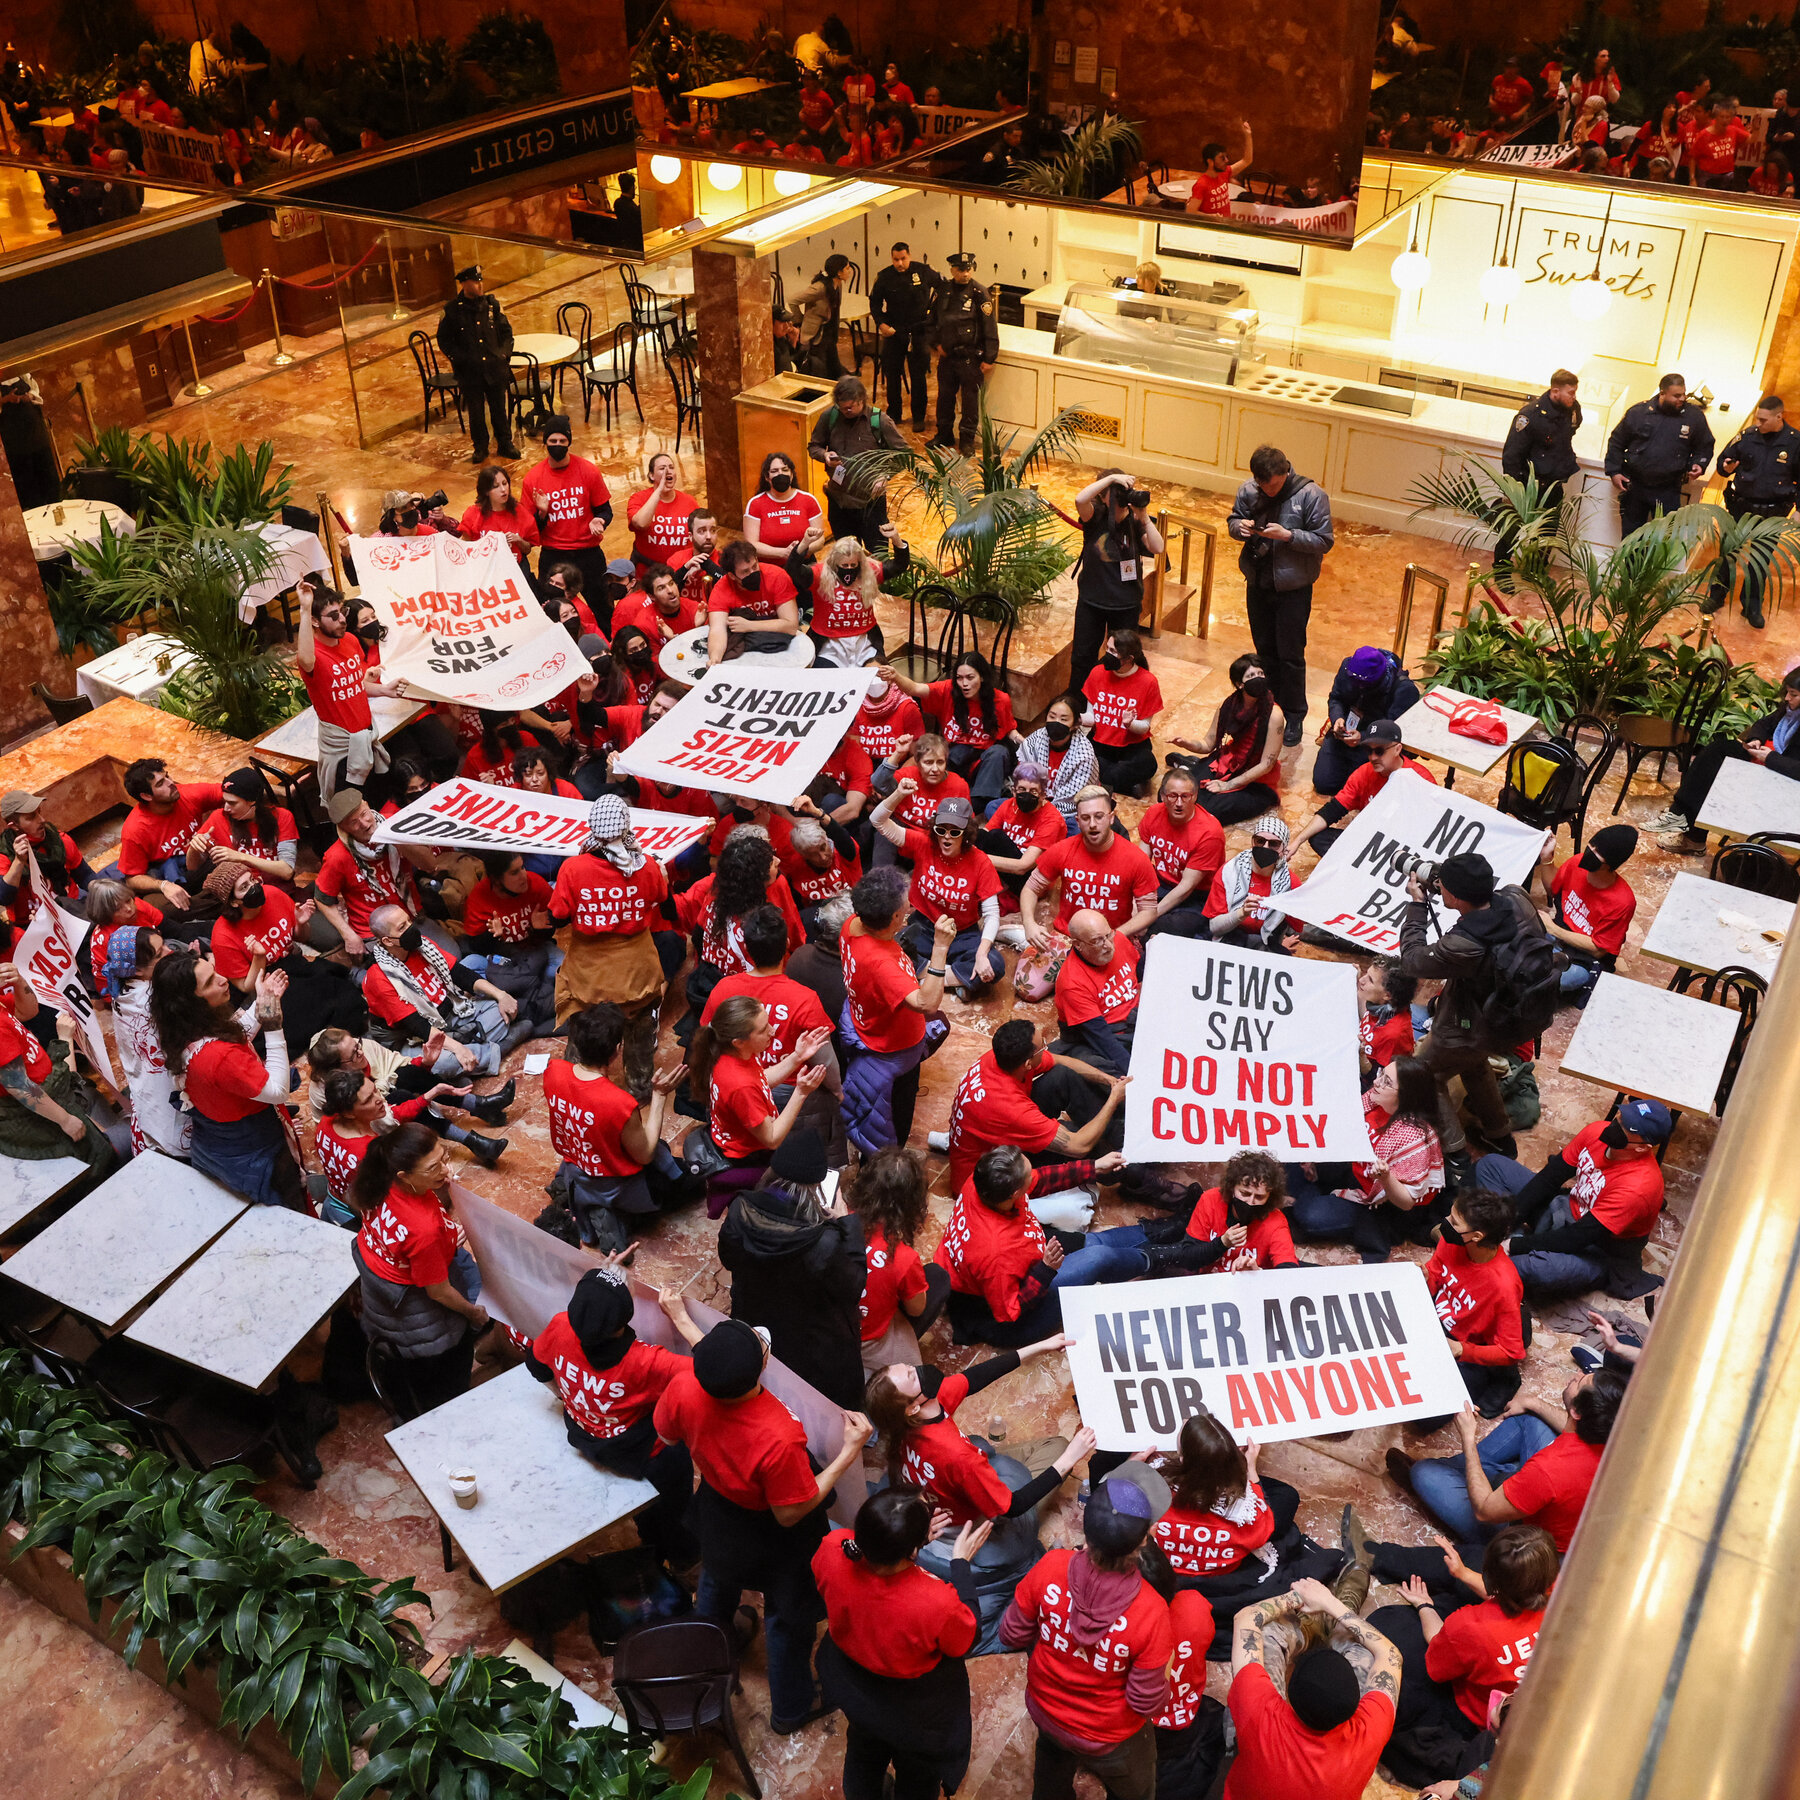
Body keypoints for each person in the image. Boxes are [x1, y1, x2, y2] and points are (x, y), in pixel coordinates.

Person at [652, 1317, 874, 1732]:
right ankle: (791, 1707)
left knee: (716, 1584)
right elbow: (791, 1509)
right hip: (778, 1540)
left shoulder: (684, 1385)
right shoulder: (778, 1435)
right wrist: (848, 1452)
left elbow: (666, 1436)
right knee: (788, 1618)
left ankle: (709, 1658)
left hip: (719, 1511)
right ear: (759, 1372)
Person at [865, 1347, 1095, 1647]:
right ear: (911, 1406)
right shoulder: (959, 1457)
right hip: (971, 1528)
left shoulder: (912, 1420)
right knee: (1055, 1448)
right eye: (910, 1374)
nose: (915, 1368)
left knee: (984, 1449)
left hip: (940, 1509)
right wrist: (1070, 1457)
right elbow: (1013, 1506)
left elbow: (972, 1378)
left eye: (908, 1365)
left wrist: (1043, 1345)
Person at [999, 1470, 1174, 1800]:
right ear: (1144, 1540)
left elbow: (1011, 1633)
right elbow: (1143, 1701)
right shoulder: (1151, 1612)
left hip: (1046, 1710)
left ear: (1084, 1529)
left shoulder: (1050, 1566)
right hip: (1109, 1738)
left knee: (1050, 1776)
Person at [510, 1270, 702, 1565]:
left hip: (583, 1434)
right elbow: (712, 1369)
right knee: (677, 1482)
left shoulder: (561, 1326)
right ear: (622, 1323)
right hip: (640, 1454)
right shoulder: (645, 1361)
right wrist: (681, 1318)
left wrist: (567, 1396)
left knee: (651, 1519)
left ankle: (649, 1537)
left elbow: (537, 1365)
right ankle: (683, 1558)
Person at [812, 1491, 983, 1800]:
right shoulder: (936, 1602)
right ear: (914, 1552)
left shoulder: (832, 1547)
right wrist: (960, 1564)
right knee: (918, 1775)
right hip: (912, 1710)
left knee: (863, 1752)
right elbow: (964, 1642)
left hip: (852, 1684)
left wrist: (907, 1542)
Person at [1397, 851, 1554, 1174]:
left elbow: (1412, 961)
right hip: (1507, 1018)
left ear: (1453, 896)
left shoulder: (1463, 944)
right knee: (1474, 1064)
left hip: (1471, 1024)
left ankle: (1455, 1154)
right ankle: (1499, 1135)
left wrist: (1416, 905)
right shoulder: (1516, 898)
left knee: (1425, 1076)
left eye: (1444, 887)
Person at [1364, 1524, 1556, 1788]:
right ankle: (1383, 1557)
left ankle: (1379, 1558)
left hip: (1473, 1718)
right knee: (1464, 1568)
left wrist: (1424, 1605)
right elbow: (1522, 1597)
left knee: (1389, 1625)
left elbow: (1436, 1649)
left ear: (1493, 1580)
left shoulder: (1472, 1626)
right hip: (1526, 1706)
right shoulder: (1564, 1593)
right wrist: (1463, 1574)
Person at [1151, 1411, 1341, 1642]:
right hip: (1223, 1564)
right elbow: (1265, 1523)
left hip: (1170, 1565)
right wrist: (1251, 1469)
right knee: (1287, 1496)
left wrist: (1134, 1463)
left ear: (1181, 1460)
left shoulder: (1150, 1493)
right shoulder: (1248, 1516)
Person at [1388, 1369, 1628, 1550]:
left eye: (1581, 1382)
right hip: (1561, 1505)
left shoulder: (1549, 1469)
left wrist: (1468, 1437)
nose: (1577, 1374)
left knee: (1424, 1474)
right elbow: (1569, 1429)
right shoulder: (1615, 1436)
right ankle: (1495, 1476)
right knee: (1531, 1419)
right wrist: (1533, 1402)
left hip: (1530, 1542)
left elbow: (1485, 1510)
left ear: (1577, 1412)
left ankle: (1479, 1479)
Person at [936, 1144, 1149, 1345]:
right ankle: (1165, 1256)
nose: (1033, 1174)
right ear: (1016, 1194)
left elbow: (1043, 1179)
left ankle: (1159, 1232)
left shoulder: (981, 1180)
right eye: (1028, 1175)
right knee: (1099, 1258)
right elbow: (1011, 1312)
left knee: (1093, 1241)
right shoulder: (995, 1253)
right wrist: (1045, 1270)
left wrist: (1094, 1167)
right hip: (1007, 1316)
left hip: (1027, 1253)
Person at [348, 1121, 493, 1411]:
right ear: (404, 1175)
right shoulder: (424, 1231)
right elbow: (439, 1292)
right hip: (420, 1318)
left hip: (379, 1287)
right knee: (444, 1385)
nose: (445, 1170)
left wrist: (446, 1228)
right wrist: (473, 1313)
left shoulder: (379, 1177)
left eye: (444, 1158)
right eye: (433, 1168)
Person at [719, 1130, 866, 1407]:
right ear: (814, 1186)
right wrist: (849, 1225)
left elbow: (728, 1258)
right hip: (809, 1336)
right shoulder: (825, 1240)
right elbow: (853, 1287)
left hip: (755, 1318)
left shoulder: (740, 1209)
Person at [1223, 1578, 1401, 1800]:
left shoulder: (1259, 1715)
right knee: (1365, 1653)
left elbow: (1246, 1618)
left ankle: (1314, 1629)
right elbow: (1390, 1655)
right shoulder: (1372, 1731)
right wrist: (1331, 1604)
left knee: (1266, 1637)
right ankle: (1334, 1627)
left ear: (1290, 1692)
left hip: (1251, 1763)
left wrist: (1300, 1596)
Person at [149, 950, 302, 1207]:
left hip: (216, 1142)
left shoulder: (181, 1028)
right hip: (253, 1153)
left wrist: (264, 1000)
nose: (222, 979)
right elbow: (277, 1091)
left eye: (214, 969)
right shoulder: (218, 1057)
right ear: (191, 1002)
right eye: (209, 982)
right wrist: (274, 1027)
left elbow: (234, 1031)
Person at [1478, 1096, 1670, 1300]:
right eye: (1621, 1116)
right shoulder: (1596, 1131)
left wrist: (1514, 1246)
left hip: (1597, 1248)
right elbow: (1550, 1178)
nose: (1616, 1124)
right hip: (1566, 1209)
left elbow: (1579, 1236)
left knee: (1537, 1269)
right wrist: (1508, 1221)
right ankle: (1512, 1240)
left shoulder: (1638, 1188)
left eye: (1625, 1128)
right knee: (1491, 1165)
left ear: (1642, 1147)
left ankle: (1519, 1250)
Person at [543, 1003, 694, 1248]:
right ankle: (619, 1216)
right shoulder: (618, 1102)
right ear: (617, 1049)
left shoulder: (553, 1071)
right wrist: (659, 1096)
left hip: (577, 1162)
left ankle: (577, 1194)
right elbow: (644, 1155)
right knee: (685, 1180)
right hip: (614, 1182)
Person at [547, 798, 669, 1094]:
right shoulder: (648, 865)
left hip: (589, 977)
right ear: (626, 826)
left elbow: (558, 915)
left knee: (584, 1038)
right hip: (637, 974)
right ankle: (639, 1090)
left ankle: (579, 1087)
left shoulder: (573, 868)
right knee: (640, 1036)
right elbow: (661, 898)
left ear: (594, 827)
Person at [1286, 1053, 1447, 1262]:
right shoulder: (1374, 1098)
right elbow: (1344, 1124)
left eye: (1386, 1081)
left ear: (1405, 1095)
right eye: (1382, 1074)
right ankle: (1308, 1190)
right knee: (1286, 1159)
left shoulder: (1414, 1138)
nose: (1376, 1082)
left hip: (1377, 1204)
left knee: (1310, 1216)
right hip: (1353, 1171)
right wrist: (1315, 1157)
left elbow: (1406, 1202)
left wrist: (1387, 1177)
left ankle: (1303, 1199)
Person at [839, 868, 953, 1151]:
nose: (911, 909)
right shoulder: (880, 963)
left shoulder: (853, 924)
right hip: (893, 1051)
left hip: (869, 1023)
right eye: (906, 908)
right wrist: (940, 947)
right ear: (893, 919)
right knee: (893, 1123)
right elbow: (926, 1003)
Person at [941, 1016, 1130, 1187]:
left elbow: (1060, 1061)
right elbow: (1079, 1146)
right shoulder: (1011, 1109)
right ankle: (1126, 1170)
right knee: (1079, 1140)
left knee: (1061, 1076)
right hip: (990, 1181)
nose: (1047, 1048)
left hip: (996, 1136)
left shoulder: (1000, 1057)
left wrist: (1109, 1080)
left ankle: (1116, 1131)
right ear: (1027, 1064)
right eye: (1043, 1046)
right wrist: (1113, 1099)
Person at [1227, 446, 1334, 743]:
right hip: (1258, 583)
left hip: (1293, 588)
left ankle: (1295, 715)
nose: (1266, 490)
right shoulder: (1249, 490)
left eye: (1271, 484)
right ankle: (1266, 706)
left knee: (1290, 654)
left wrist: (1287, 535)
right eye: (1261, 484)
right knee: (1264, 651)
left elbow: (1324, 541)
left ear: (1285, 472)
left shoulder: (1311, 495)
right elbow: (1233, 521)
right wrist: (1241, 528)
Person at [315, 1063, 501, 1222]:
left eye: (375, 1091)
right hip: (363, 1211)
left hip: (339, 1194)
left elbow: (392, 1116)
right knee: (441, 1183)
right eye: (369, 1100)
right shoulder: (370, 1153)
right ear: (349, 1112)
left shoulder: (327, 1122)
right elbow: (398, 1197)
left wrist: (429, 1095)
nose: (379, 1099)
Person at [1649, 661, 1800, 846]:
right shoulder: (1791, 709)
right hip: (1770, 761)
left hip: (1787, 780)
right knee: (1717, 751)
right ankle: (1680, 814)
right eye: (1787, 692)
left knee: (1717, 776)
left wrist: (1769, 758)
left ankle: (1692, 836)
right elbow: (1764, 724)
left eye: (1793, 694)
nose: (1786, 698)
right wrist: (1756, 739)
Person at [868, 791, 1003, 996]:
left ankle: (926, 978)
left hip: (961, 933)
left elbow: (992, 914)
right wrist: (898, 794)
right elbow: (877, 820)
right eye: (941, 830)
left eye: (955, 832)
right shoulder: (924, 843)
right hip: (924, 925)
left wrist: (982, 954)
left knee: (995, 965)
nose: (947, 837)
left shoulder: (981, 861)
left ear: (966, 834)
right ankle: (956, 980)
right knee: (886, 954)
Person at [0, 958, 116, 1188]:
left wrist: (19, 981)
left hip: (50, 1094)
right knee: (93, 1165)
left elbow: (30, 1010)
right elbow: (17, 1083)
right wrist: (64, 1119)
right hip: (39, 1110)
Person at [295, 581, 404, 807]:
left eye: (342, 612)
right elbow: (305, 660)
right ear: (315, 621)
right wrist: (305, 609)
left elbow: (354, 686)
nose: (343, 619)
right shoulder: (313, 656)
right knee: (353, 814)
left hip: (368, 739)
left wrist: (383, 690)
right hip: (342, 752)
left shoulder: (351, 640)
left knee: (381, 802)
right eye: (333, 616)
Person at [1704, 393, 1800, 626]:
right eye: (1758, 419)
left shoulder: (1795, 442)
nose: (1758, 424)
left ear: (1780, 416)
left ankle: (1751, 605)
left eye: (1764, 420)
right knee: (1728, 553)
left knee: (1760, 559)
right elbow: (1723, 463)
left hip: (1772, 511)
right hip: (1741, 506)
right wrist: (1726, 467)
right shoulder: (1747, 436)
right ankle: (1717, 595)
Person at [1020, 786, 1157, 947]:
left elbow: (1149, 911)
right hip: (1068, 938)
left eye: (1099, 816)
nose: (1092, 824)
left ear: (1111, 818)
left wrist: (1115, 935)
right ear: (1077, 821)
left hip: (1115, 938)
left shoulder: (1136, 858)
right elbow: (1030, 888)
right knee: (1027, 971)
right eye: (1085, 818)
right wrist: (1029, 923)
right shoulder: (1061, 850)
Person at [1287, 719, 1436, 864]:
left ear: (1397, 749)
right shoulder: (1363, 773)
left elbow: (1429, 828)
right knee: (1317, 837)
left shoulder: (1422, 779)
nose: (1372, 757)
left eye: (1379, 751)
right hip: (1369, 840)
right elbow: (1331, 811)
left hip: (1402, 848)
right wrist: (1297, 842)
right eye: (1368, 751)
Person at [879, 651, 1020, 805]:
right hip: (953, 754)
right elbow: (915, 688)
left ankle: (976, 805)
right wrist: (895, 676)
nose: (964, 684)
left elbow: (1009, 730)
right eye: (959, 678)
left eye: (970, 678)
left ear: (982, 677)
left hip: (984, 758)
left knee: (999, 753)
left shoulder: (1001, 700)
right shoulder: (948, 690)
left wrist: (1026, 743)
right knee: (924, 758)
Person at [1070, 472, 1166, 695]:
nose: (1121, 500)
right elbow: (1080, 499)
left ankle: (1114, 702)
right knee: (1082, 657)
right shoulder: (1095, 517)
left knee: (1121, 659)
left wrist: (1143, 516)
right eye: (1115, 494)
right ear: (1103, 496)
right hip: (1092, 602)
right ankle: (1078, 705)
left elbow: (1158, 547)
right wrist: (1111, 478)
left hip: (1125, 604)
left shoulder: (1135, 522)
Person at [852, 1145, 951, 1360]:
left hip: (832, 1324)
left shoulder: (840, 1218)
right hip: (866, 1340)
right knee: (938, 1277)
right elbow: (916, 1309)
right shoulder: (903, 1257)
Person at [1168, 653, 1286, 824]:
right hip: (1228, 762)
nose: (1258, 679)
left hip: (1257, 781)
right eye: (1251, 676)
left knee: (1206, 811)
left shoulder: (1274, 715)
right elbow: (1208, 743)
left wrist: (1228, 785)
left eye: (1260, 674)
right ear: (1239, 684)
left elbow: (1266, 765)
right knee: (1176, 794)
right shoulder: (1229, 705)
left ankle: (1192, 766)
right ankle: (1192, 764)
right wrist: (1187, 743)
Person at [1605, 372, 1715, 537]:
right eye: (1676, 395)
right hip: (1636, 486)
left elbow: (1705, 445)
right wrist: (1614, 471)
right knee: (1631, 539)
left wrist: (1699, 464)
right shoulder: (1639, 413)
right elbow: (1616, 442)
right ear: (1662, 393)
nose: (1682, 399)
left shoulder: (1693, 416)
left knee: (1664, 539)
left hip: (1668, 489)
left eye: (1684, 394)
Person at [1539, 823, 1638, 1002]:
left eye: (1597, 852)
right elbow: (1552, 888)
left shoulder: (1623, 902)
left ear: (1610, 864)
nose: (1589, 852)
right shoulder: (1576, 862)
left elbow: (1598, 949)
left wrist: (1553, 929)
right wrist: (1547, 857)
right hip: (1557, 934)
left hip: (1582, 957)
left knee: (1568, 978)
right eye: (1591, 845)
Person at [809, 374, 910, 546]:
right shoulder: (829, 417)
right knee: (847, 555)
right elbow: (814, 446)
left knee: (877, 555)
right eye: (842, 408)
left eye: (850, 407)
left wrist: (884, 476)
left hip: (870, 504)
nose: (846, 411)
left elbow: (905, 454)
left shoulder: (880, 421)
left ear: (861, 400)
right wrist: (824, 456)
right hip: (838, 500)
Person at [1311, 646, 1421, 796]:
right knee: (1324, 783)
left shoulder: (1403, 690)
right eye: (1355, 682)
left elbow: (1393, 730)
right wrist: (1338, 718)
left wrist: (1363, 737)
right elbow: (1336, 698)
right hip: (1344, 735)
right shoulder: (1346, 667)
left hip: (1376, 744)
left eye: (1364, 684)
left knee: (1362, 790)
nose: (1360, 686)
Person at [118, 760, 224, 914]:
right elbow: (132, 879)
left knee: (228, 862)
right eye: (161, 783)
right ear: (146, 796)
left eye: (167, 777)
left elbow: (231, 791)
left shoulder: (187, 794)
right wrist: (164, 886)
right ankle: (215, 904)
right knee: (160, 909)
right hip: (163, 877)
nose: (171, 783)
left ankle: (210, 903)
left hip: (199, 864)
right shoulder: (134, 830)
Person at [436, 265, 518, 464]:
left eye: (481, 281)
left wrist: (504, 355)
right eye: (475, 281)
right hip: (470, 372)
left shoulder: (491, 306)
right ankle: (480, 447)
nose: (480, 285)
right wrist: (460, 359)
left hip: (494, 368)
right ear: (464, 283)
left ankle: (505, 443)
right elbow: (444, 341)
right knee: (476, 411)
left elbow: (506, 333)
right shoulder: (452, 311)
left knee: (499, 407)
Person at [521, 415, 614, 591]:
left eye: (562, 440)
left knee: (603, 607)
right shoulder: (532, 479)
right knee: (551, 609)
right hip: (553, 554)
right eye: (553, 440)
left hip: (588, 551)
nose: (557, 445)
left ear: (569, 442)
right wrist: (542, 514)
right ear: (545, 442)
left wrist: (600, 520)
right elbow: (529, 531)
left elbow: (605, 510)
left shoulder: (588, 471)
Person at [1054, 911, 1144, 1075]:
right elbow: (1102, 1039)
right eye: (1097, 941)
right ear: (1078, 944)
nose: (1109, 946)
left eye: (1108, 935)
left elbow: (1140, 974)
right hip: (1110, 1034)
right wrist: (1137, 1076)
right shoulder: (1072, 984)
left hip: (1137, 1016)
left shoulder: (1119, 940)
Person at [927, 252, 999, 456]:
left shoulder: (980, 293)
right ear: (952, 270)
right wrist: (936, 344)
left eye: (968, 269)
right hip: (947, 356)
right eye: (960, 269)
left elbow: (989, 327)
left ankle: (967, 440)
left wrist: (989, 357)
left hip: (970, 357)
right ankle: (944, 434)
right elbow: (931, 321)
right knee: (945, 398)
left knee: (969, 402)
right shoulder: (943, 291)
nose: (965, 273)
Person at [979, 762, 1067, 922]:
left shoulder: (1052, 820)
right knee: (978, 834)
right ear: (1013, 790)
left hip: (1031, 881)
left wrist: (977, 860)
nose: (1027, 795)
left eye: (1033, 791)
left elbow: (1023, 866)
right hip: (1005, 865)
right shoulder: (1008, 805)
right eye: (1021, 790)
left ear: (1043, 794)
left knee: (995, 837)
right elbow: (983, 836)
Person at [1082, 628, 1162, 796]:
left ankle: (1107, 781)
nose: (1107, 654)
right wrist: (1077, 718)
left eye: (1113, 651)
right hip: (1101, 743)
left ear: (1129, 659)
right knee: (1082, 760)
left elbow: (1144, 727)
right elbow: (1091, 716)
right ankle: (1124, 785)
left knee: (1147, 763)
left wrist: (1130, 723)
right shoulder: (1097, 672)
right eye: (1108, 648)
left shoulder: (1148, 682)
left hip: (1131, 746)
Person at [1, 787, 94, 933]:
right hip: (32, 924)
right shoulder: (4, 856)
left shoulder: (60, 840)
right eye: (31, 817)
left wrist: (103, 890)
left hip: (71, 909)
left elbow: (85, 876)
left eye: (39, 812)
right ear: (15, 826)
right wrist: (19, 862)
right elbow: (3, 897)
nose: (42, 820)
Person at [870, 240, 939, 428]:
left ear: (909, 256)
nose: (899, 263)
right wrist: (881, 323)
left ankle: (918, 417)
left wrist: (933, 317)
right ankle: (894, 415)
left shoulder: (923, 272)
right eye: (896, 259)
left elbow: (943, 289)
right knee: (892, 376)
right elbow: (874, 303)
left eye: (903, 258)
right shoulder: (884, 277)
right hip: (894, 332)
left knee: (918, 377)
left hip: (918, 331)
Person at [1205, 814, 1299, 951]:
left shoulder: (1290, 884)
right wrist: (1242, 913)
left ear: (1284, 850)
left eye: (1274, 844)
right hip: (1231, 938)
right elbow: (1214, 927)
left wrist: (1280, 946)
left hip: (1264, 943)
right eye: (1260, 841)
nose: (1265, 847)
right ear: (1252, 842)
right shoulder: (1229, 872)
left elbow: (1296, 925)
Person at [706, 537, 802, 663]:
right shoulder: (721, 589)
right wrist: (715, 658)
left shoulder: (777, 576)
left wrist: (749, 626)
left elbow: (791, 626)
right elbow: (717, 630)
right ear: (732, 576)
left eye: (755, 566)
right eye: (745, 571)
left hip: (779, 646)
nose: (753, 572)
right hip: (744, 653)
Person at [1500, 369, 1582, 513]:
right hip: (1529, 486)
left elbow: (1572, 429)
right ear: (1555, 391)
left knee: (1548, 533)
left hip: (1553, 488)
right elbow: (1512, 454)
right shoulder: (1530, 415)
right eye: (1570, 392)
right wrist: (1512, 490)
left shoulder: (1573, 410)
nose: (1574, 397)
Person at [1018, 696, 1099, 827]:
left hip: (1067, 810)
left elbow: (1074, 799)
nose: (1056, 722)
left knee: (1077, 829)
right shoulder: (1035, 741)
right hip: (1034, 800)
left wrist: (1045, 813)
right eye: (1052, 717)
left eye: (1064, 719)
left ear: (1075, 724)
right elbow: (1023, 778)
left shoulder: (1084, 754)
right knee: (993, 807)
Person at [744, 451, 825, 562]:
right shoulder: (755, 503)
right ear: (767, 477)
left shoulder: (809, 500)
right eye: (774, 471)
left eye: (785, 470)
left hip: (803, 563)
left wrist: (799, 552)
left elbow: (820, 540)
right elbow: (751, 544)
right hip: (770, 567)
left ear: (791, 475)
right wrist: (783, 553)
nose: (780, 474)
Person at [626, 451, 699, 573]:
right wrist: (659, 490)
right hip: (648, 570)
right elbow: (641, 524)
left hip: (680, 570)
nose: (668, 471)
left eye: (671, 467)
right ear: (651, 476)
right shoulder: (638, 498)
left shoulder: (690, 501)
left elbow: (698, 535)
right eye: (662, 468)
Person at [458, 464, 540, 555]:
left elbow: (528, 549)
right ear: (486, 491)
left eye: (505, 483)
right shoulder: (473, 514)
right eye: (495, 486)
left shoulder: (521, 512)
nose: (503, 489)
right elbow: (464, 545)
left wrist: (519, 540)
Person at [795, 252, 853, 378]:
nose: (850, 271)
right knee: (819, 370)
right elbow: (792, 300)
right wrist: (800, 320)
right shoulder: (820, 288)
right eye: (847, 268)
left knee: (834, 368)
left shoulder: (838, 285)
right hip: (817, 334)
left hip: (830, 332)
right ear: (839, 272)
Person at [1357, 959, 1418, 1069]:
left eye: (1370, 980)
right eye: (1366, 973)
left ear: (1387, 995)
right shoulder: (1380, 1005)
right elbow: (1365, 1018)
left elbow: (1377, 1077)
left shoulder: (1393, 1035)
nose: (1362, 979)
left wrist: (1362, 1057)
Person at [1184, 124, 1254, 217]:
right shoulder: (1201, 184)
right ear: (1210, 161)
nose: (1226, 160)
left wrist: (1248, 135)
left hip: (1224, 225)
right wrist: (1211, 217)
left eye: (1226, 157)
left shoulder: (1225, 172)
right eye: (1222, 158)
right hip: (1211, 228)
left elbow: (1247, 161)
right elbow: (1190, 211)